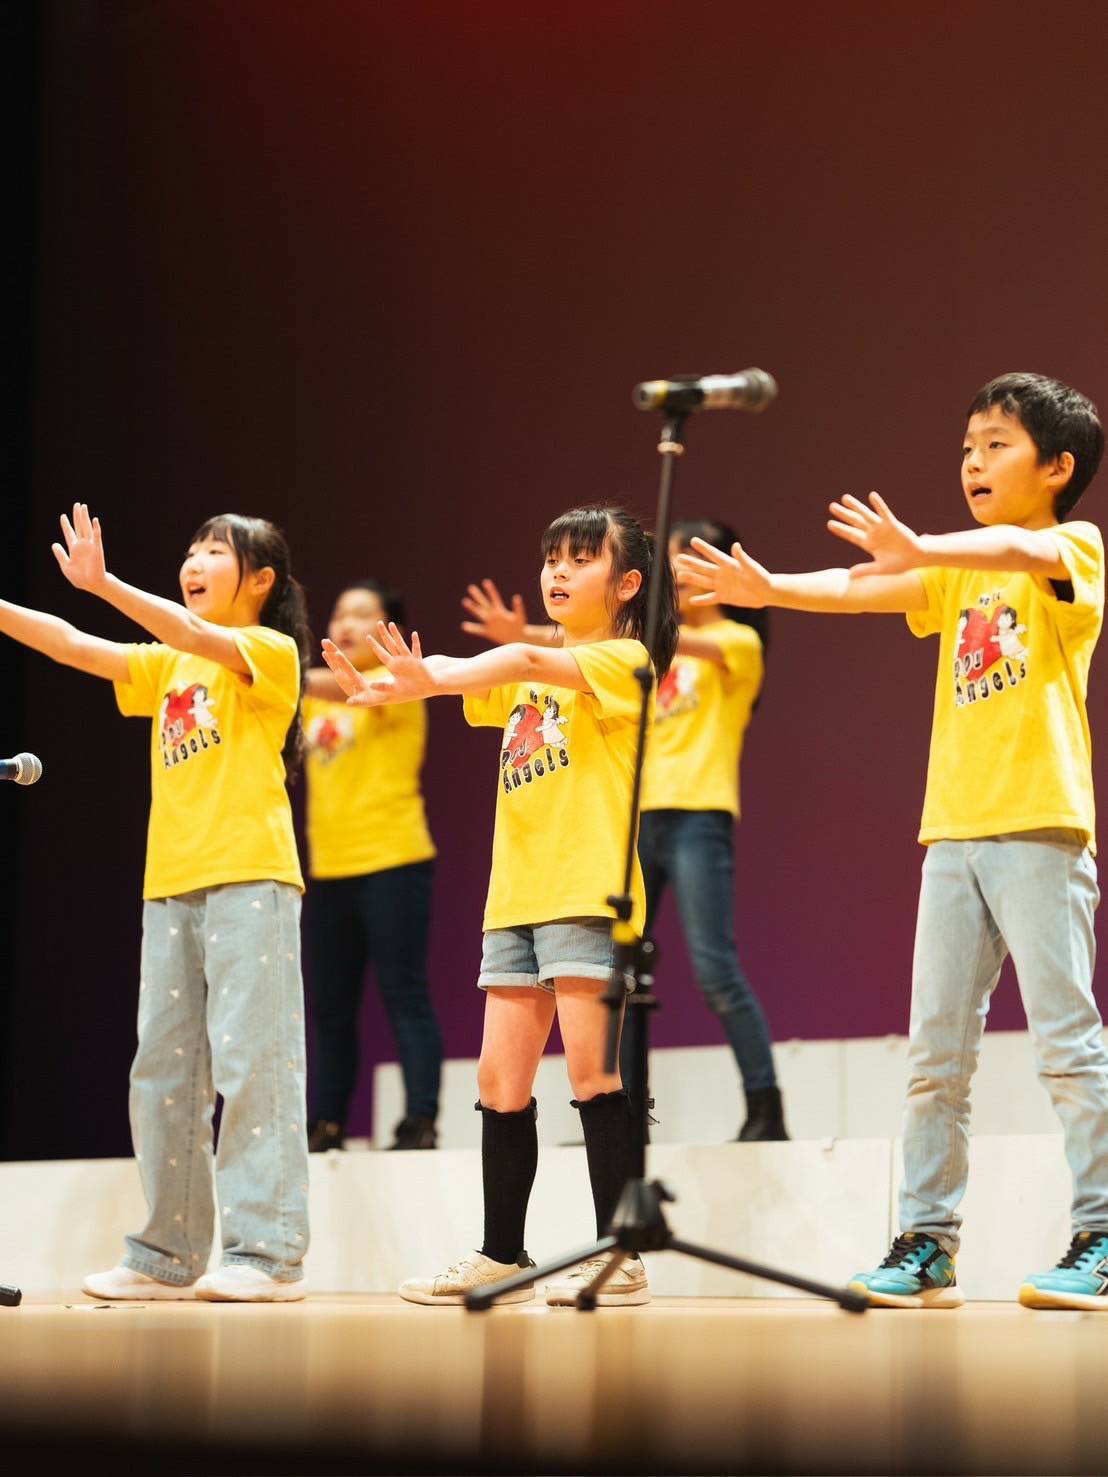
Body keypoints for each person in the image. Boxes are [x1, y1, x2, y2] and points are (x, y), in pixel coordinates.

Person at [679, 373, 1108, 1312]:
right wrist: (768, 588)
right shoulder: (956, 571)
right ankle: (927, 1244)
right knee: (934, 1059)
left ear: (1058, 466)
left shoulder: (1074, 547)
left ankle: (1104, 1232)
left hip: (1039, 824)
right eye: (967, 448)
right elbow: (862, 587)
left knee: (1067, 1044)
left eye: (996, 445)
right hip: (951, 833)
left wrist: (923, 544)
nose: (973, 462)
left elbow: (1016, 548)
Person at [324, 505, 678, 1306]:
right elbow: (499, 675)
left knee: (593, 1073)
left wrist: (430, 673)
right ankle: (502, 1254)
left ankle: (620, 1254)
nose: (557, 572)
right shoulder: (530, 672)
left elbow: (517, 654)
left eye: (579, 559)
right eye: (551, 557)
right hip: (514, 896)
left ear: (627, 583)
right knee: (498, 1080)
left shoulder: (626, 660)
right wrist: (401, 687)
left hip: (586, 889)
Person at [0, 506, 312, 1302]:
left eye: (215, 551)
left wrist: (104, 583)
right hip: (170, 884)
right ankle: (168, 1252)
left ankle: (268, 1253)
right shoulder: (169, 665)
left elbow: (188, 629)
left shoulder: (268, 651)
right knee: (163, 1071)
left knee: (253, 1064)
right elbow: (73, 645)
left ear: (261, 580)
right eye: (192, 549)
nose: (194, 561)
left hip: (251, 877)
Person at [461, 519, 787, 1140]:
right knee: (616, 977)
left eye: (694, 560)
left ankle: (764, 1104)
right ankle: (620, 1106)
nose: (682, 573)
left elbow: (671, 646)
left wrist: (533, 637)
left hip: (697, 815)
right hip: (631, 813)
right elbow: (562, 656)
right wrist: (535, 637)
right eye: (675, 562)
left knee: (715, 968)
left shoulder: (733, 642)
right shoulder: (606, 651)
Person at [303, 579, 443, 1152]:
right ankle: (327, 1123)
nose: (344, 622)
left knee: (404, 993)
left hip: (395, 861)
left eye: (362, 614)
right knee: (331, 1008)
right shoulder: (313, 696)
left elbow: (336, 687)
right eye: (339, 612)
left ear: (389, 628)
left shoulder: (399, 683)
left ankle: (420, 1119)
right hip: (329, 869)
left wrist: (271, 668)